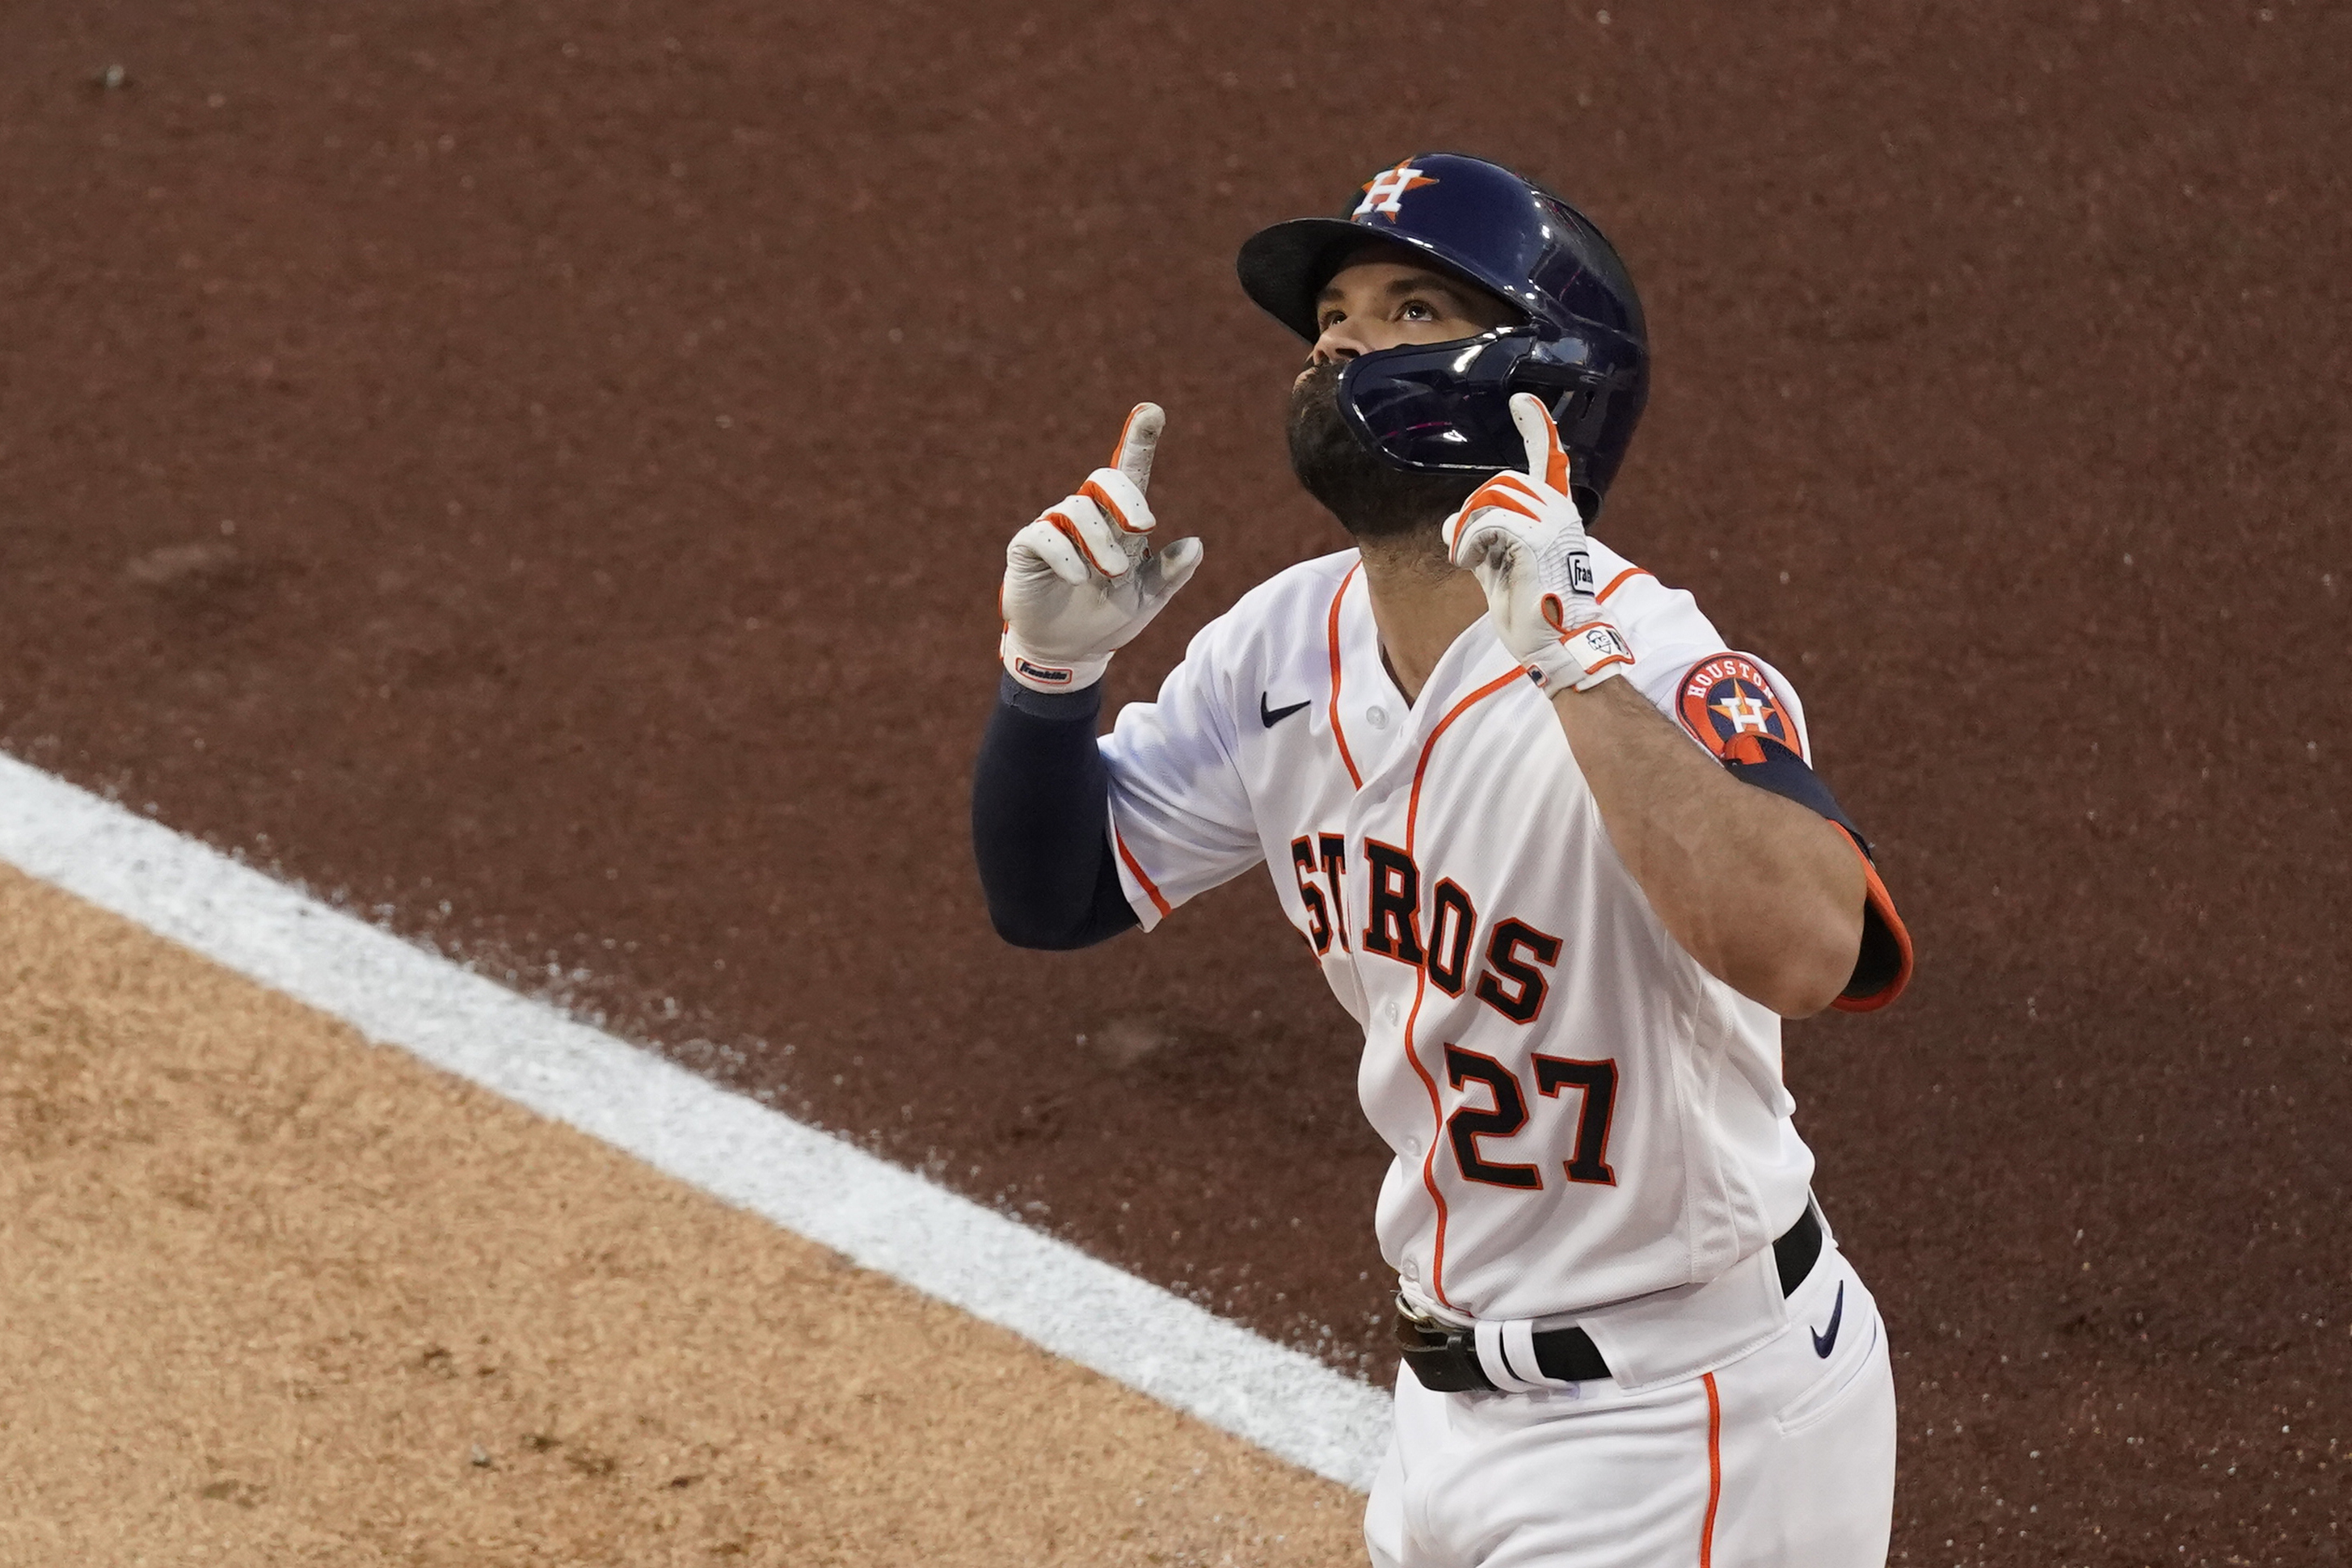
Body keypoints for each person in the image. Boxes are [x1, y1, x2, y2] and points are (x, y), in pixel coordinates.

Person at [970, 152, 1913, 1568]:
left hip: (1687, 1424)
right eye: (1333, 314)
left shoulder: (1648, 655)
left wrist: (1572, 667)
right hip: (1444, 1406)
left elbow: (1807, 952)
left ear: (1542, 378)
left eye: (1407, 309)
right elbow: (1052, 898)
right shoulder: (1282, 644)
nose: (1342, 338)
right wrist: (1049, 677)